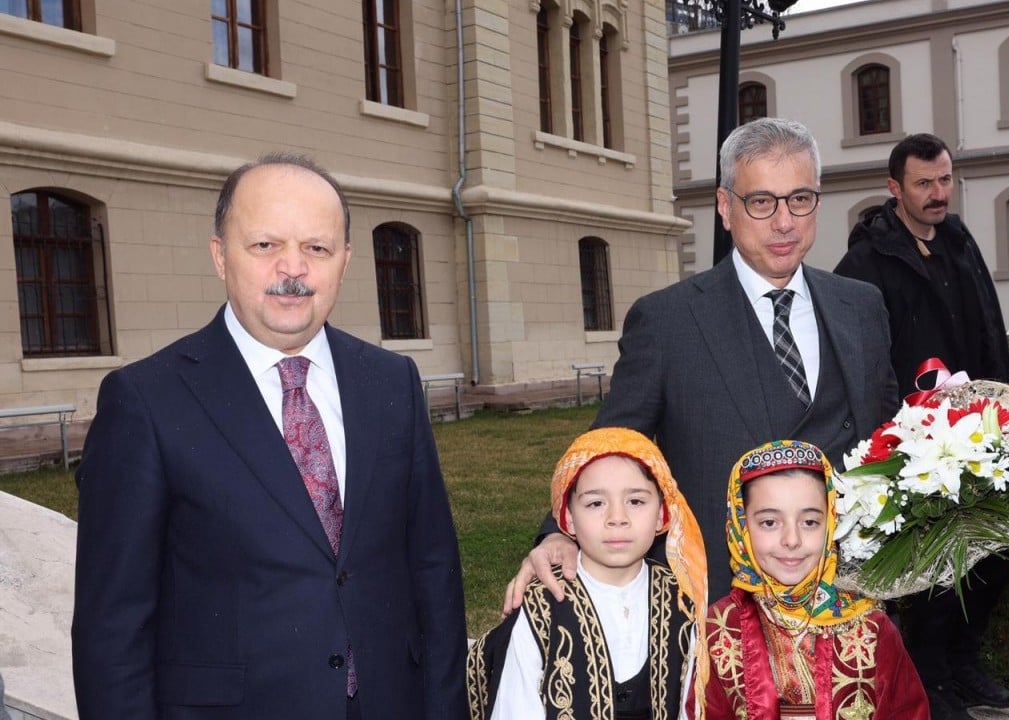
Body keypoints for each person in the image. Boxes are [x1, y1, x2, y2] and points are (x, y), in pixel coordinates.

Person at [71, 153, 467, 720]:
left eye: (317, 248)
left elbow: (433, 570)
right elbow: (112, 625)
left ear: (345, 261)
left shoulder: (391, 382)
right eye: (265, 245)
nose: (293, 267)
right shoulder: (146, 400)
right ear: (219, 256)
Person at [503, 116, 899, 612]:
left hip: (853, 595)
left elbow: (888, 435)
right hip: (726, 607)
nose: (784, 222)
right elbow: (617, 443)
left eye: (800, 199)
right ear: (725, 207)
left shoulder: (860, 306)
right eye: (762, 202)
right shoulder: (668, 321)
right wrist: (557, 533)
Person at [832, 133, 1009, 719]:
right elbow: (856, 350)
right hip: (915, 438)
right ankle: (929, 681)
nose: (939, 194)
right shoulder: (866, 260)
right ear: (894, 189)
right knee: (935, 564)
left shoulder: (959, 239)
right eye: (924, 184)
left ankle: (964, 664)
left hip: (980, 425)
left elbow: (989, 319)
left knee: (994, 555)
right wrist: (888, 428)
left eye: (945, 180)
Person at [467, 427, 708, 720]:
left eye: (636, 501)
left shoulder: (683, 599)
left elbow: (692, 706)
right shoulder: (540, 609)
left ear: (661, 513)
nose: (617, 518)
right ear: (568, 518)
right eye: (596, 503)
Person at [699, 439, 928, 719]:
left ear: (832, 522)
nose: (792, 540)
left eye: (809, 522)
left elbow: (908, 711)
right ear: (741, 526)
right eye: (769, 522)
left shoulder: (870, 625)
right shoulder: (719, 629)